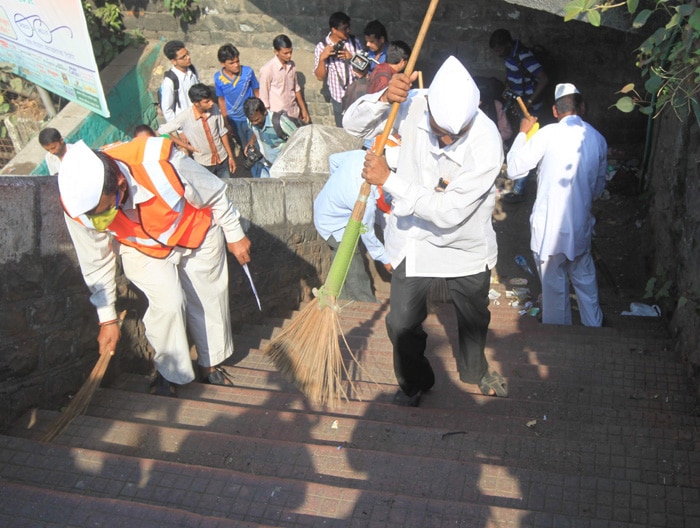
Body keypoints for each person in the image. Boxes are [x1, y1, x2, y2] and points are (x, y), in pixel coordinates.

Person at [343, 56, 508, 406]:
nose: (446, 138)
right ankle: (414, 382)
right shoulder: (414, 103)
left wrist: (390, 180)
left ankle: (476, 370)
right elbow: (352, 126)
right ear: (429, 102)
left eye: (455, 133)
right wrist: (384, 98)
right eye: (439, 129)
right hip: (414, 240)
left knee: (474, 318)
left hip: (465, 245)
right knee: (401, 323)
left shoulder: (487, 142)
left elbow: (448, 213)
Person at [57, 137, 252, 397]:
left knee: (208, 298)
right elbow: (95, 260)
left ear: (120, 184)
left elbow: (214, 192)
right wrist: (107, 319)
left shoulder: (158, 159)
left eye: (106, 210)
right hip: (139, 245)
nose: (100, 219)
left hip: (195, 230)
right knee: (169, 303)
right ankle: (170, 372)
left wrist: (235, 234)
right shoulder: (77, 205)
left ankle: (210, 364)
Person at [506, 83, 607, 327]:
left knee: (554, 292)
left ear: (554, 110)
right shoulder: (597, 139)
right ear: (581, 107)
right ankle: (594, 329)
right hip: (579, 228)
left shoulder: (547, 134)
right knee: (585, 282)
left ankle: (558, 334)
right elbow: (597, 189)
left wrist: (522, 132)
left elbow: (513, 168)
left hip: (548, 231)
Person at [314, 149, 393, 302]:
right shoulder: (365, 200)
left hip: (322, 206)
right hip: (332, 224)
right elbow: (367, 233)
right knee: (351, 257)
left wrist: (338, 186)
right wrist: (385, 260)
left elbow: (333, 159)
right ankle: (365, 302)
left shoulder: (360, 155)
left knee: (340, 260)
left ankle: (340, 297)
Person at [489, 29, 549, 202]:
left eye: (499, 49)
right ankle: (509, 184)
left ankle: (518, 190)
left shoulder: (524, 56)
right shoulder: (509, 56)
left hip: (530, 109)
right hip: (520, 106)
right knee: (518, 142)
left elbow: (544, 79)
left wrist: (529, 102)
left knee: (525, 147)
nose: (497, 54)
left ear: (508, 45)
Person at [158, 83, 237, 179]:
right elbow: (162, 131)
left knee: (226, 187)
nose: (211, 103)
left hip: (222, 158)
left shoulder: (215, 108)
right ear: (196, 103)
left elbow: (222, 132)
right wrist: (186, 146)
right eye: (207, 102)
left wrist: (230, 156)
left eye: (211, 99)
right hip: (204, 163)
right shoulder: (185, 117)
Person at [313, 11, 364, 126]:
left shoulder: (354, 42)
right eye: (344, 29)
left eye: (348, 27)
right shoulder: (322, 46)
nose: (348, 31)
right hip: (338, 99)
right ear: (334, 30)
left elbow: (364, 69)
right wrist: (322, 59)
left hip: (357, 96)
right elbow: (320, 77)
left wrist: (352, 57)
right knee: (342, 132)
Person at [214, 44, 259, 159]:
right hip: (234, 120)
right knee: (243, 143)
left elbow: (256, 90)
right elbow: (221, 99)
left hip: (251, 116)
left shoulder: (248, 72)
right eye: (232, 63)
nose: (236, 65)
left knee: (254, 144)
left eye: (237, 61)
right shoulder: (218, 79)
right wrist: (226, 120)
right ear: (223, 64)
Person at [258, 35, 310, 124]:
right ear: (276, 52)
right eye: (285, 53)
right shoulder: (267, 70)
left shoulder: (291, 65)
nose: (289, 56)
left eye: (290, 52)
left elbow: (296, 89)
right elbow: (264, 99)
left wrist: (303, 110)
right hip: (278, 118)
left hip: (293, 113)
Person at [243, 97, 298, 178]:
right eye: (252, 121)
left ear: (264, 112)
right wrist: (251, 141)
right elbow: (256, 130)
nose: (254, 123)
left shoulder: (281, 123)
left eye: (257, 119)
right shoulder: (250, 122)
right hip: (265, 166)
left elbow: (299, 138)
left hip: (283, 169)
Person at [160, 40, 200, 123]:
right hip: (186, 124)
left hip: (199, 117)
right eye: (183, 57)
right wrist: (180, 130)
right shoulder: (170, 82)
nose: (188, 58)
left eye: (187, 54)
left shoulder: (192, 69)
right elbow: (167, 110)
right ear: (174, 61)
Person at [474, 76, 513, 144]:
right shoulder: (468, 109)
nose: (479, 103)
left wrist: (490, 139)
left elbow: (507, 131)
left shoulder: (496, 106)